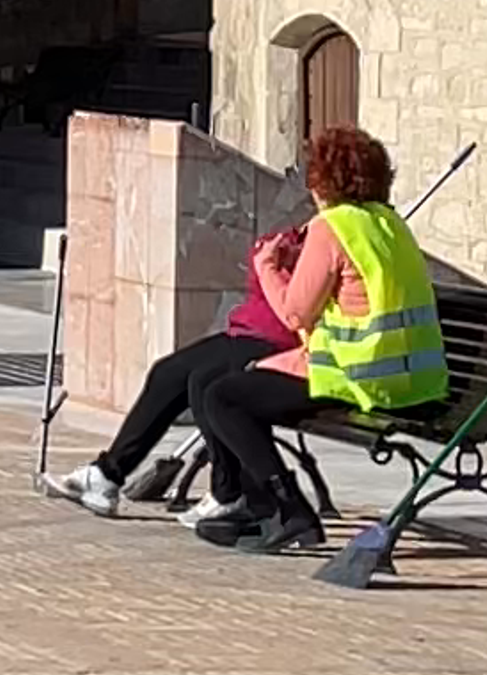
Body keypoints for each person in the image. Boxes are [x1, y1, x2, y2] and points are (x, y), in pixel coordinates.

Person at [48, 123, 447, 552]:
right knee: (217, 385)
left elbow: (294, 310)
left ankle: (286, 510)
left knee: (224, 397)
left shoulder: (333, 228)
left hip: (362, 377)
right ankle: (252, 503)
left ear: (322, 181)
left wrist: (267, 268)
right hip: (415, 378)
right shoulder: (389, 225)